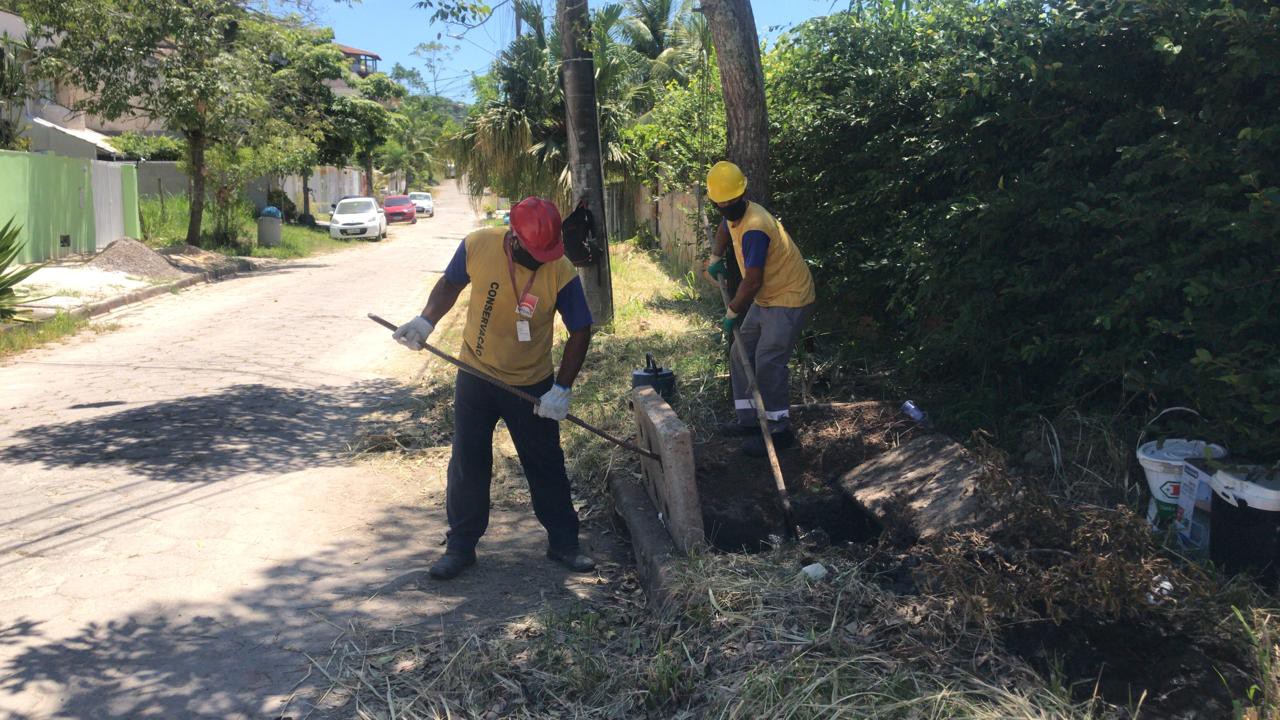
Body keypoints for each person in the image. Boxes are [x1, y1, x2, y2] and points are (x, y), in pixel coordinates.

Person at [392, 197, 596, 580]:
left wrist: (562, 389)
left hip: (531, 383)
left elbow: (581, 329)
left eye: (547, 252)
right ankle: (461, 547)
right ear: (514, 238)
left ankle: (565, 543)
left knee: (546, 464)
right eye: (535, 252)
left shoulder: (560, 270)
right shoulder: (478, 245)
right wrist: (425, 321)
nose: (542, 259)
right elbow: (450, 284)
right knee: (468, 462)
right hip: (477, 374)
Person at [704, 161, 816, 457]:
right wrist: (716, 255)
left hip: (789, 298)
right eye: (721, 205)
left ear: (743, 195)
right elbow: (725, 228)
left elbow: (752, 282)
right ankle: (750, 421)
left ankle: (780, 430)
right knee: (740, 352)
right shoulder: (733, 214)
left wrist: (732, 312)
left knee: (768, 360)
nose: (727, 210)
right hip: (768, 297)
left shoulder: (755, 227)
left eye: (730, 204)